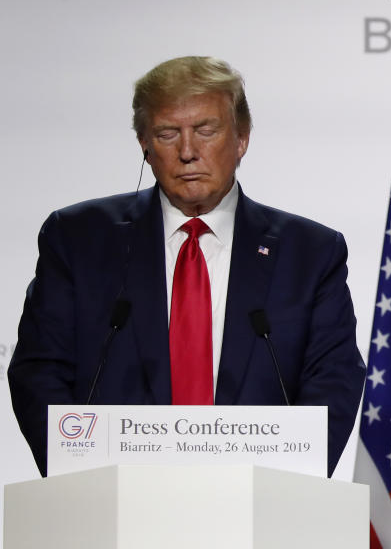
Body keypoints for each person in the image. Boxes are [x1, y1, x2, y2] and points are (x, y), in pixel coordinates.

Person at [9, 56, 365, 477]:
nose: (188, 152)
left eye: (205, 130)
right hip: (114, 510)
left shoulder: (310, 252)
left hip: (258, 510)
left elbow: (333, 379)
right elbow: (40, 371)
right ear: (144, 144)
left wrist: (284, 485)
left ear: (242, 138)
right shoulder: (77, 238)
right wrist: (81, 478)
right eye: (166, 134)